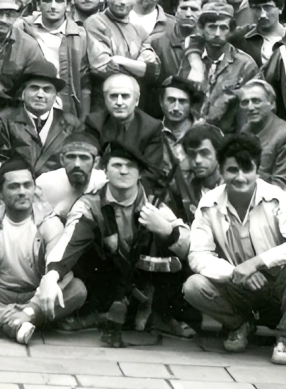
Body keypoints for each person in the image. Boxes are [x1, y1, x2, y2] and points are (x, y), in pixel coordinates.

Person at [184, 132, 286, 364]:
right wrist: (237, 273)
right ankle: (240, 325)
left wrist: (256, 263)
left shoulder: (277, 198)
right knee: (193, 286)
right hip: (238, 286)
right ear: (221, 170)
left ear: (258, 169)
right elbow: (198, 255)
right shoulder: (209, 204)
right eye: (232, 170)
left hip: (278, 286)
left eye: (247, 169)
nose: (240, 177)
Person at [38, 143, 191, 347]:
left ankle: (160, 316)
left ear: (140, 174)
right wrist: (51, 276)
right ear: (105, 170)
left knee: (171, 251)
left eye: (130, 166)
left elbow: (189, 245)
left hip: (145, 278)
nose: (123, 171)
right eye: (117, 165)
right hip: (107, 277)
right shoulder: (89, 204)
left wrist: (167, 231)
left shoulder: (155, 203)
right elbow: (69, 243)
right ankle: (93, 313)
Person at [0, 158, 88, 344]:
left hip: (34, 294)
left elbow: (59, 272)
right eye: (14, 187)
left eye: (27, 185)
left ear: (34, 189)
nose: (22, 192)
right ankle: (16, 322)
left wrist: (33, 306)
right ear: (0, 192)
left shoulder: (49, 224)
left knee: (77, 289)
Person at [20, 0, 90, 120]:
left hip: (65, 105)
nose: (53, 6)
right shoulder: (23, 28)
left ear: (68, 6)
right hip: (29, 101)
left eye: (59, 1)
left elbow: (85, 79)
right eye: (47, 0)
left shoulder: (79, 35)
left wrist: (83, 116)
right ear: (38, 5)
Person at [84, 0, 159, 108]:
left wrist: (120, 60)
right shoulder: (95, 23)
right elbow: (102, 68)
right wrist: (139, 68)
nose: (123, 1)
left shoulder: (140, 30)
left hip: (134, 105)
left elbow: (154, 71)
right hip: (104, 103)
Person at [84, 73, 167, 192]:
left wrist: (126, 192)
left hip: (138, 192)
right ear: (105, 99)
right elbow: (91, 165)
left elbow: (152, 172)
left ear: (136, 100)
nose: (119, 102)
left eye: (125, 96)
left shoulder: (152, 127)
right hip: (99, 190)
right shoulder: (94, 123)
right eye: (113, 96)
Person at [184, 1, 257, 130]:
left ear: (231, 30)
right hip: (190, 135)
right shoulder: (190, 60)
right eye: (212, 27)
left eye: (223, 28)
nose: (217, 33)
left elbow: (249, 115)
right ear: (202, 29)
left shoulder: (245, 65)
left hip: (226, 139)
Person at [0, 59, 77, 177]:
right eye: (34, 88)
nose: (40, 95)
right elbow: (0, 161)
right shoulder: (4, 121)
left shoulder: (71, 123)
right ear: (23, 93)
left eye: (47, 90)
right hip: (18, 186)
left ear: (55, 96)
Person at [148, 0, 208, 117]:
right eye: (183, 8)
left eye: (194, 9)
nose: (188, 14)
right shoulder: (156, 43)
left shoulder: (211, 43)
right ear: (175, 10)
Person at [237, 80, 286, 189]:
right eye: (245, 102)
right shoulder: (245, 131)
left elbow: (284, 185)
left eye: (256, 101)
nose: (250, 107)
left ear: (272, 104)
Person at [164, 122, 224, 226]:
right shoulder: (186, 191)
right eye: (192, 154)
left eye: (204, 153)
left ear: (219, 153)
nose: (197, 160)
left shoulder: (235, 186)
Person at [35, 133, 107, 218]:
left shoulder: (104, 183)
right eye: (71, 157)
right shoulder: (44, 184)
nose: (77, 164)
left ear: (95, 162)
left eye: (84, 158)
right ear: (62, 159)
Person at [233, 0, 286, 67]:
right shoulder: (241, 38)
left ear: (280, 8)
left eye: (268, 7)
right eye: (256, 8)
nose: (262, 14)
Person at [158, 78, 197, 181]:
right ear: (161, 102)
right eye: (171, 100)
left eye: (182, 101)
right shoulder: (151, 133)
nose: (176, 107)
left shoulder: (207, 134)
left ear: (191, 105)